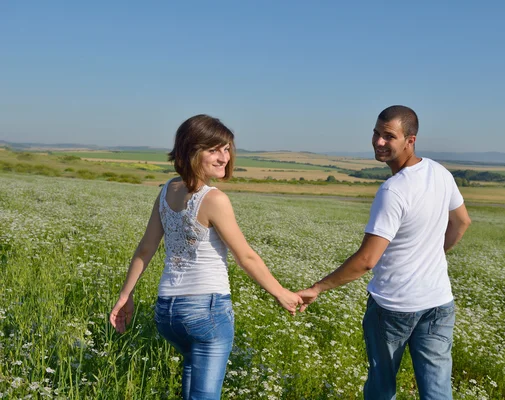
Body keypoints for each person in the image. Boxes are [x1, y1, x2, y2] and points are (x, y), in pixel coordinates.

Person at [110, 114, 303, 400]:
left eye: (226, 149)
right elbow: (246, 257)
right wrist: (281, 293)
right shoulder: (214, 199)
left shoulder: (167, 190)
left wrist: (126, 295)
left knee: (192, 385)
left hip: (168, 313)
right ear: (191, 151)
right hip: (206, 311)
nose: (224, 157)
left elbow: (145, 249)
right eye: (214, 149)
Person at [297, 105, 471, 400]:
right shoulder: (440, 173)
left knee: (382, 387)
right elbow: (462, 221)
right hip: (439, 302)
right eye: (376, 133)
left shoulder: (393, 191)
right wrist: (434, 254)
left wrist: (318, 287)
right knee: (438, 390)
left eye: (388, 136)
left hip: (394, 307)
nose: (378, 142)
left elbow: (366, 261)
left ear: (410, 140)